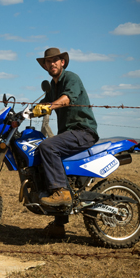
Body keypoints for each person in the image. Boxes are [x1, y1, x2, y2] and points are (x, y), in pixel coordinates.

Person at [32, 48, 99, 209]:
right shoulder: (52, 87)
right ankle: (59, 225)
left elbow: (67, 98)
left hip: (83, 131)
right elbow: (44, 105)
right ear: (45, 66)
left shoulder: (71, 78)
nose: (52, 63)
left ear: (62, 62)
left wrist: (49, 107)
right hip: (69, 134)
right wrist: (26, 112)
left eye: (55, 60)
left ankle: (62, 192)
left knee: (47, 146)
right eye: (48, 61)